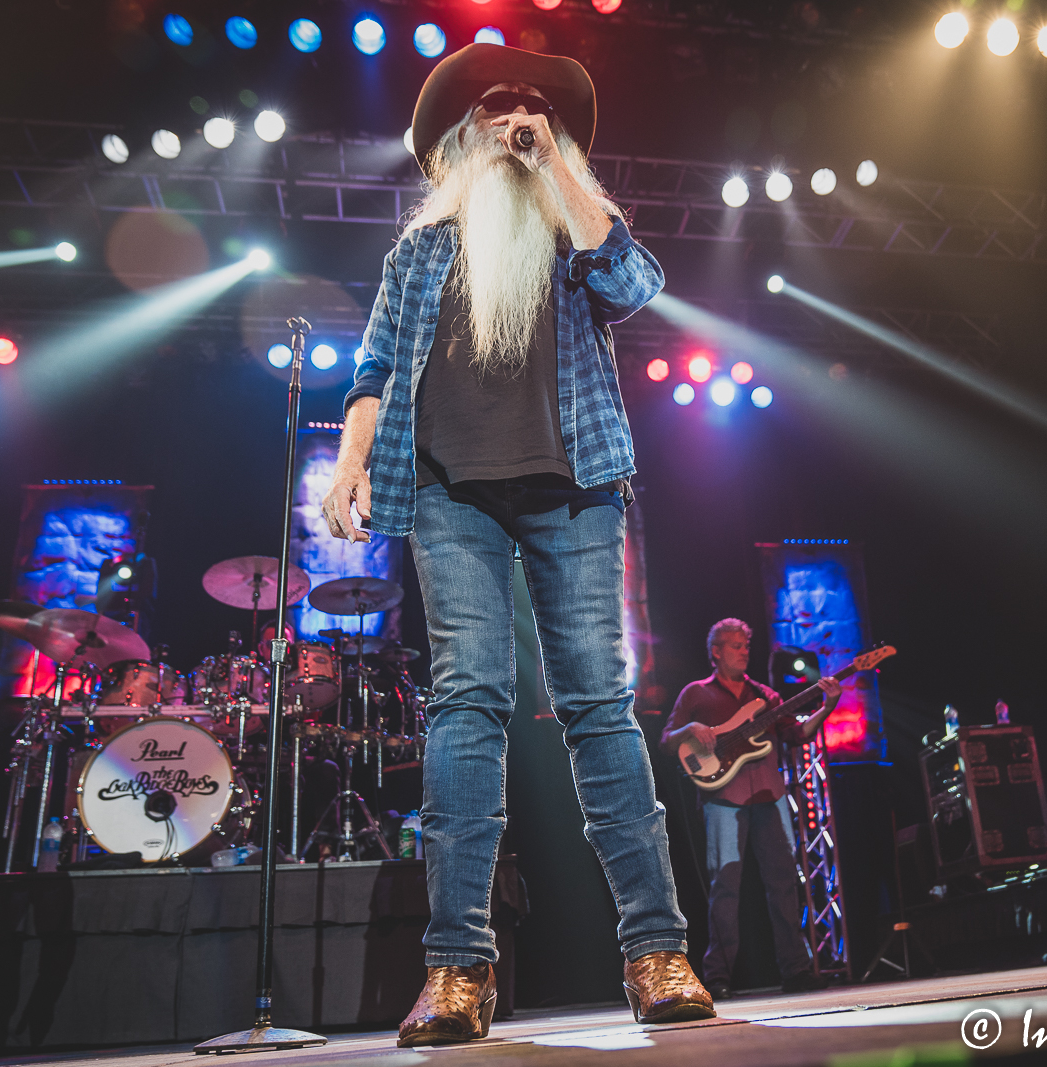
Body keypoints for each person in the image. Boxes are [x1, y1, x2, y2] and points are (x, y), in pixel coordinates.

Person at [323, 43, 712, 1045]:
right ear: (458, 136)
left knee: (596, 704)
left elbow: (634, 282)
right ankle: (456, 969)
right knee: (465, 707)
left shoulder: (576, 229)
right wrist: (351, 463)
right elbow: (371, 369)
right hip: (450, 494)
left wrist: (557, 171)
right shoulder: (417, 253)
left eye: (532, 109)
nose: (513, 119)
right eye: (494, 110)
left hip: (573, 491)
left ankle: (656, 951)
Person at [661, 619, 840, 997]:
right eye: (736, 645)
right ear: (716, 652)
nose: (745, 651)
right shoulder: (696, 693)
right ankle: (719, 977)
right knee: (725, 887)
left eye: (746, 644)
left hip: (770, 797)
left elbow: (798, 734)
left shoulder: (767, 697)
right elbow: (667, 740)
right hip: (722, 800)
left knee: (784, 884)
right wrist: (691, 729)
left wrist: (827, 707)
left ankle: (796, 970)